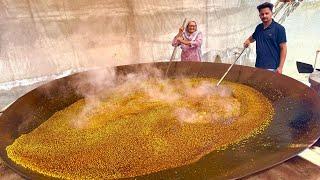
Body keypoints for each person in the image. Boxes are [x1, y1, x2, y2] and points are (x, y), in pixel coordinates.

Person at [243, 2, 287, 74]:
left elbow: (283, 48)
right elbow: (253, 37)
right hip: (258, 66)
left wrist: (280, 67)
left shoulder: (279, 29)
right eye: (262, 14)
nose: (264, 16)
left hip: (272, 68)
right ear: (259, 15)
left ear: (271, 13)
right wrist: (247, 41)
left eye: (267, 13)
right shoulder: (259, 27)